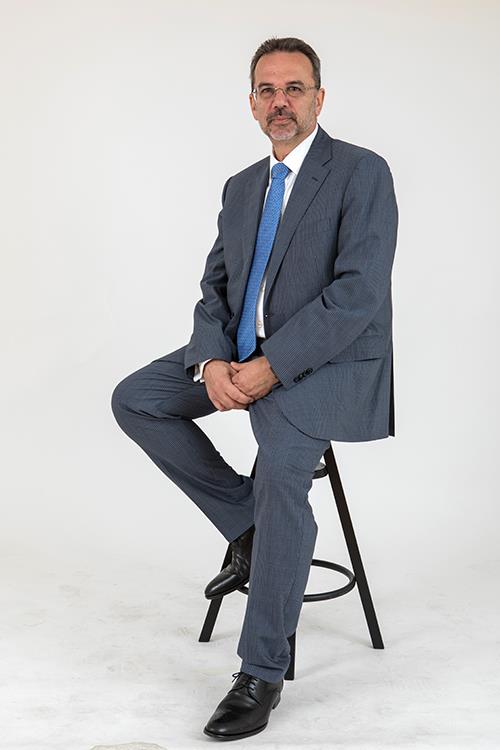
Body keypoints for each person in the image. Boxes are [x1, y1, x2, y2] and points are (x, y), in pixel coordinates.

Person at [111, 36, 398, 741]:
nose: (280, 102)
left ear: (319, 99)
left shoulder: (361, 172)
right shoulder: (242, 187)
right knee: (138, 398)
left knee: (280, 470)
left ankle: (261, 671)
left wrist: (274, 366)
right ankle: (251, 529)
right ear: (251, 104)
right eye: (267, 91)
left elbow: (357, 295)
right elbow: (215, 288)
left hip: (327, 364)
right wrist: (212, 361)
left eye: (294, 88)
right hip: (241, 356)